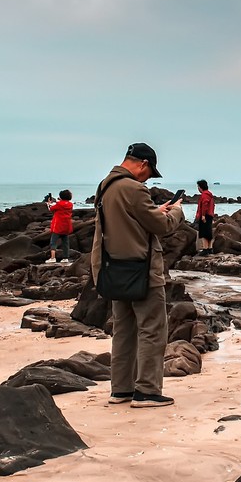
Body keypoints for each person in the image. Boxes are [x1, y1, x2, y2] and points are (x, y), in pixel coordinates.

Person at [92, 143, 184, 408]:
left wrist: (156, 209)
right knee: (152, 329)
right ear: (142, 164)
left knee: (123, 330)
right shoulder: (133, 188)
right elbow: (161, 226)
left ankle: (120, 389)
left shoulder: (106, 186)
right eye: (150, 172)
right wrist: (176, 211)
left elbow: (130, 220)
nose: (148, 178)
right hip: (141, 271)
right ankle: (147, 391)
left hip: (114, 270)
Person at [46, 189, 74, 263]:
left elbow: (51, 209)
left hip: (58, 226)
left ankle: (52, 258)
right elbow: (63, 204)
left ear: (61, 197)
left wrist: (49, 203)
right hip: (67, 226)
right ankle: (65, 257)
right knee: (65, 243)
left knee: (53, 242)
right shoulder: (70, 204)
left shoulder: (59, 204)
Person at [195, 179, 216, 255]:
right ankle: (210, 248)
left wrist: (203, 215)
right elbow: (212, 205)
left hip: (205, 215)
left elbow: (204, 204)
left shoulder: (204, 195)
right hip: (210, 215)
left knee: (204, 232)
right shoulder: (210, 195)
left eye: (198, 186)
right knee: (208, 232)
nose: (198, 188)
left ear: (200, 187)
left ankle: (205, 249)